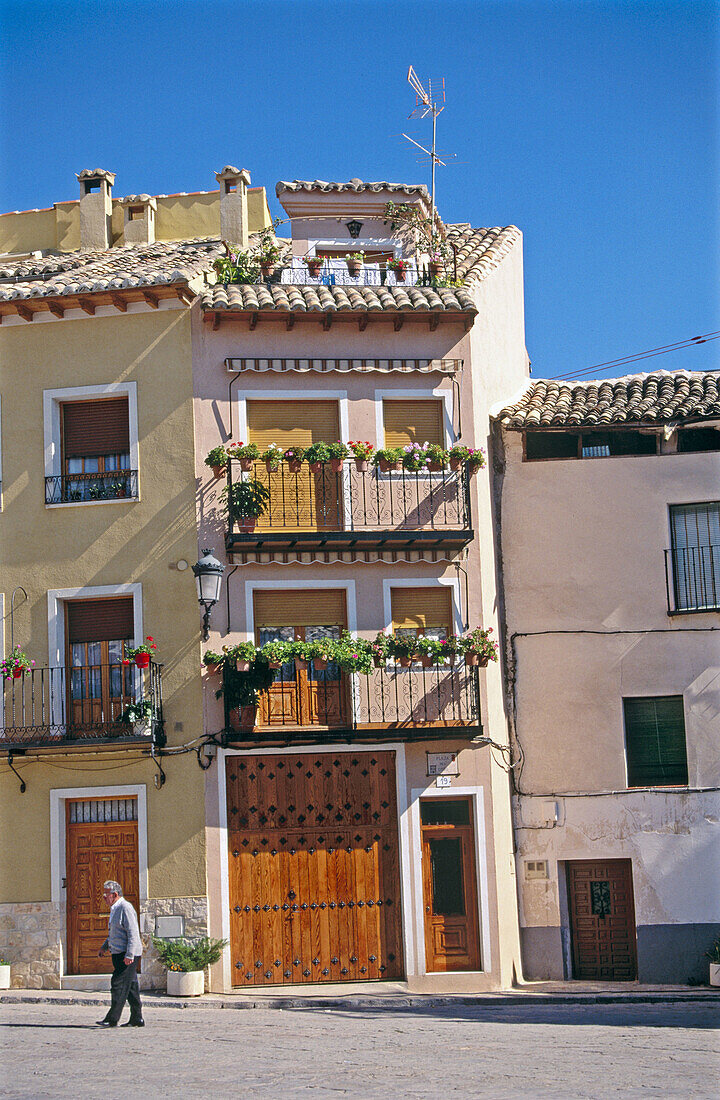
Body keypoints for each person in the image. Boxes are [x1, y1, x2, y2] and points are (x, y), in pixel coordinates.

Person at [96, 880, 144, 1028]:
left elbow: (132, 933)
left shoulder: (125, 907)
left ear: (115, 894)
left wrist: (129, 955)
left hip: (126, 955)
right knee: (131, 987)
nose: (104, 897)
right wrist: (105, 946)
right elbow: (115, 932)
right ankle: (137, 1018)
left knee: (118, 984)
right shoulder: (115, 908)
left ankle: (112, 1018)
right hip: (118, 953)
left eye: (106, 894)